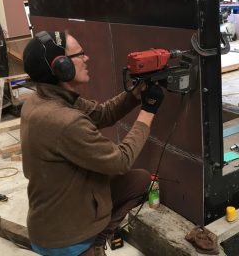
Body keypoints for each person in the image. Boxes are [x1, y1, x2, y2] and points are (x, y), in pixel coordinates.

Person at [21, 30, 164, 256]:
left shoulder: (46, 97)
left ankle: (98, 238)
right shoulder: (63, 120)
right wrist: (149, 111)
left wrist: (136, 94)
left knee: (140, 182)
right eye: (80, 54)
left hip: (65, 204)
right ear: (62, 67)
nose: (86, 58)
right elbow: (120, 161)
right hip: (65, 236)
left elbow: (103, 113)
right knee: (127, 173)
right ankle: (88, 247)